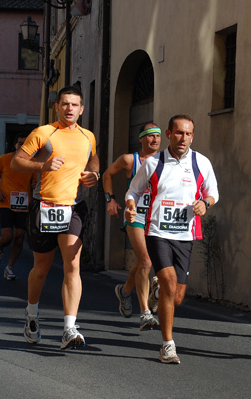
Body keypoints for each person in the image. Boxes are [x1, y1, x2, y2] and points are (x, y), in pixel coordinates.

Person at [11, 85, 100, 350]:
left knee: (73, 266)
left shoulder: (88, 136)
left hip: (74, 207)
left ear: (81, 109)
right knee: (42, 267)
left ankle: (69, 328)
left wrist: (93, 174)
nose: (70, 108)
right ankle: (32, 314)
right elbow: (17, 162)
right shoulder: (43, 133)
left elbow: (93, 160)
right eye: (65, 104)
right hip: (45, 206)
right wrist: (43, 165)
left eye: (75, 105)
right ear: (57, 107)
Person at [125, 114, 219, 364]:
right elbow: (134, 189)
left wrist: (205, 204)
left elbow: (213, 193)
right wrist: (131, 204)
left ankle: (160, 292)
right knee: (168, 281)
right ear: (169, 134)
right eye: (178, 133)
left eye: (188, 133)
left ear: (193, 136)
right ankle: (168, 345)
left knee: (177, 296)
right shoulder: (154, 162)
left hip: (185, 234)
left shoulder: (201, 162)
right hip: (158, 231)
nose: (183, 138)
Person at [103, 123, 162, 331]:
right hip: (134, 215)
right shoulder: (130, 160)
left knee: (148, 260)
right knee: (146, 260)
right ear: (141, 139)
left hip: (157, 217)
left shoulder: (165, 161)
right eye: (150, 136)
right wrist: (110, 199)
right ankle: (146, 312)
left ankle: (125, 291)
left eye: (158, 136)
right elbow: (107, 174)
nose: (155, 140)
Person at [0, 134, 35, 280]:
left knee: (19, 238)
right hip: (6, 203)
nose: (21, 146)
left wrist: (35, 187)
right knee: (7, 237)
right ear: (15, 145)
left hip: (23, 205)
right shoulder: (4, 159)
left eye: (24, 143)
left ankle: (9, 267)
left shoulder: (32, 163)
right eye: (19, 143)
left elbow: (35, 182)